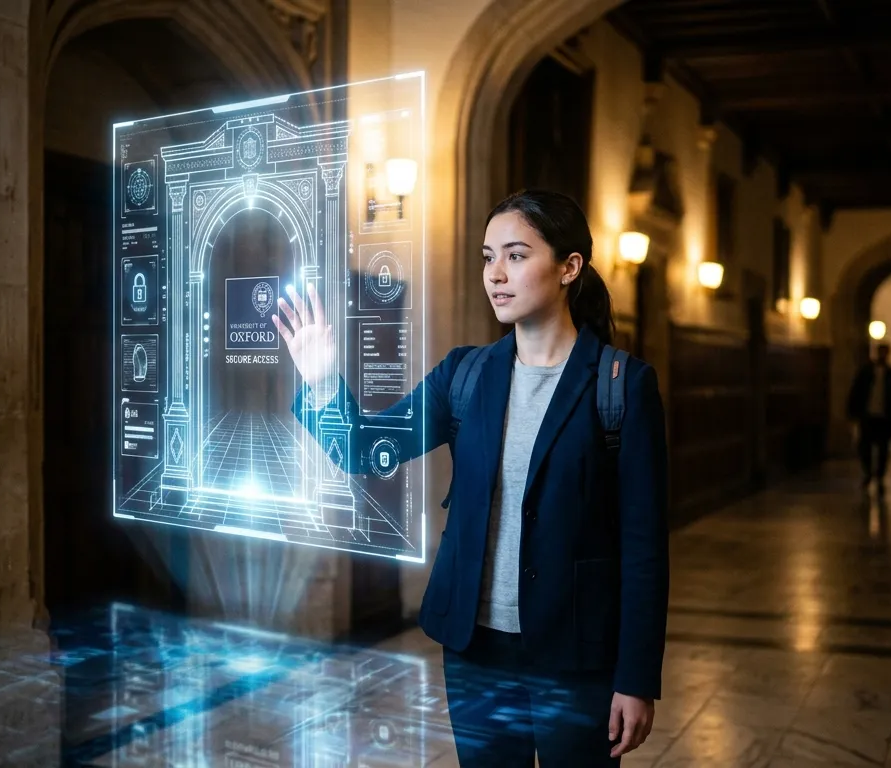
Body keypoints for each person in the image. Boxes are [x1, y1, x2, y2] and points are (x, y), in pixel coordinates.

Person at [272, 189, 670, 766]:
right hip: (475, 648)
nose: (495, 275)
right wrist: (323, 382)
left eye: (515, 255)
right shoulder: (465, 373)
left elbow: (644, 548)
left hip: (576, 654)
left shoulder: (621, 385)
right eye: (488, 257)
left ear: (568, 267)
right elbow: (364, 449)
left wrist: (636, 678)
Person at [846, 343, 891, 492]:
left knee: (883, 449)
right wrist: (853, 413)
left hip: (885, 418)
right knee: (865, 447)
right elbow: (856, 393)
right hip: (868, 416)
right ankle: (868, 473)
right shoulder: (865, 373)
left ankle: (879, 476)